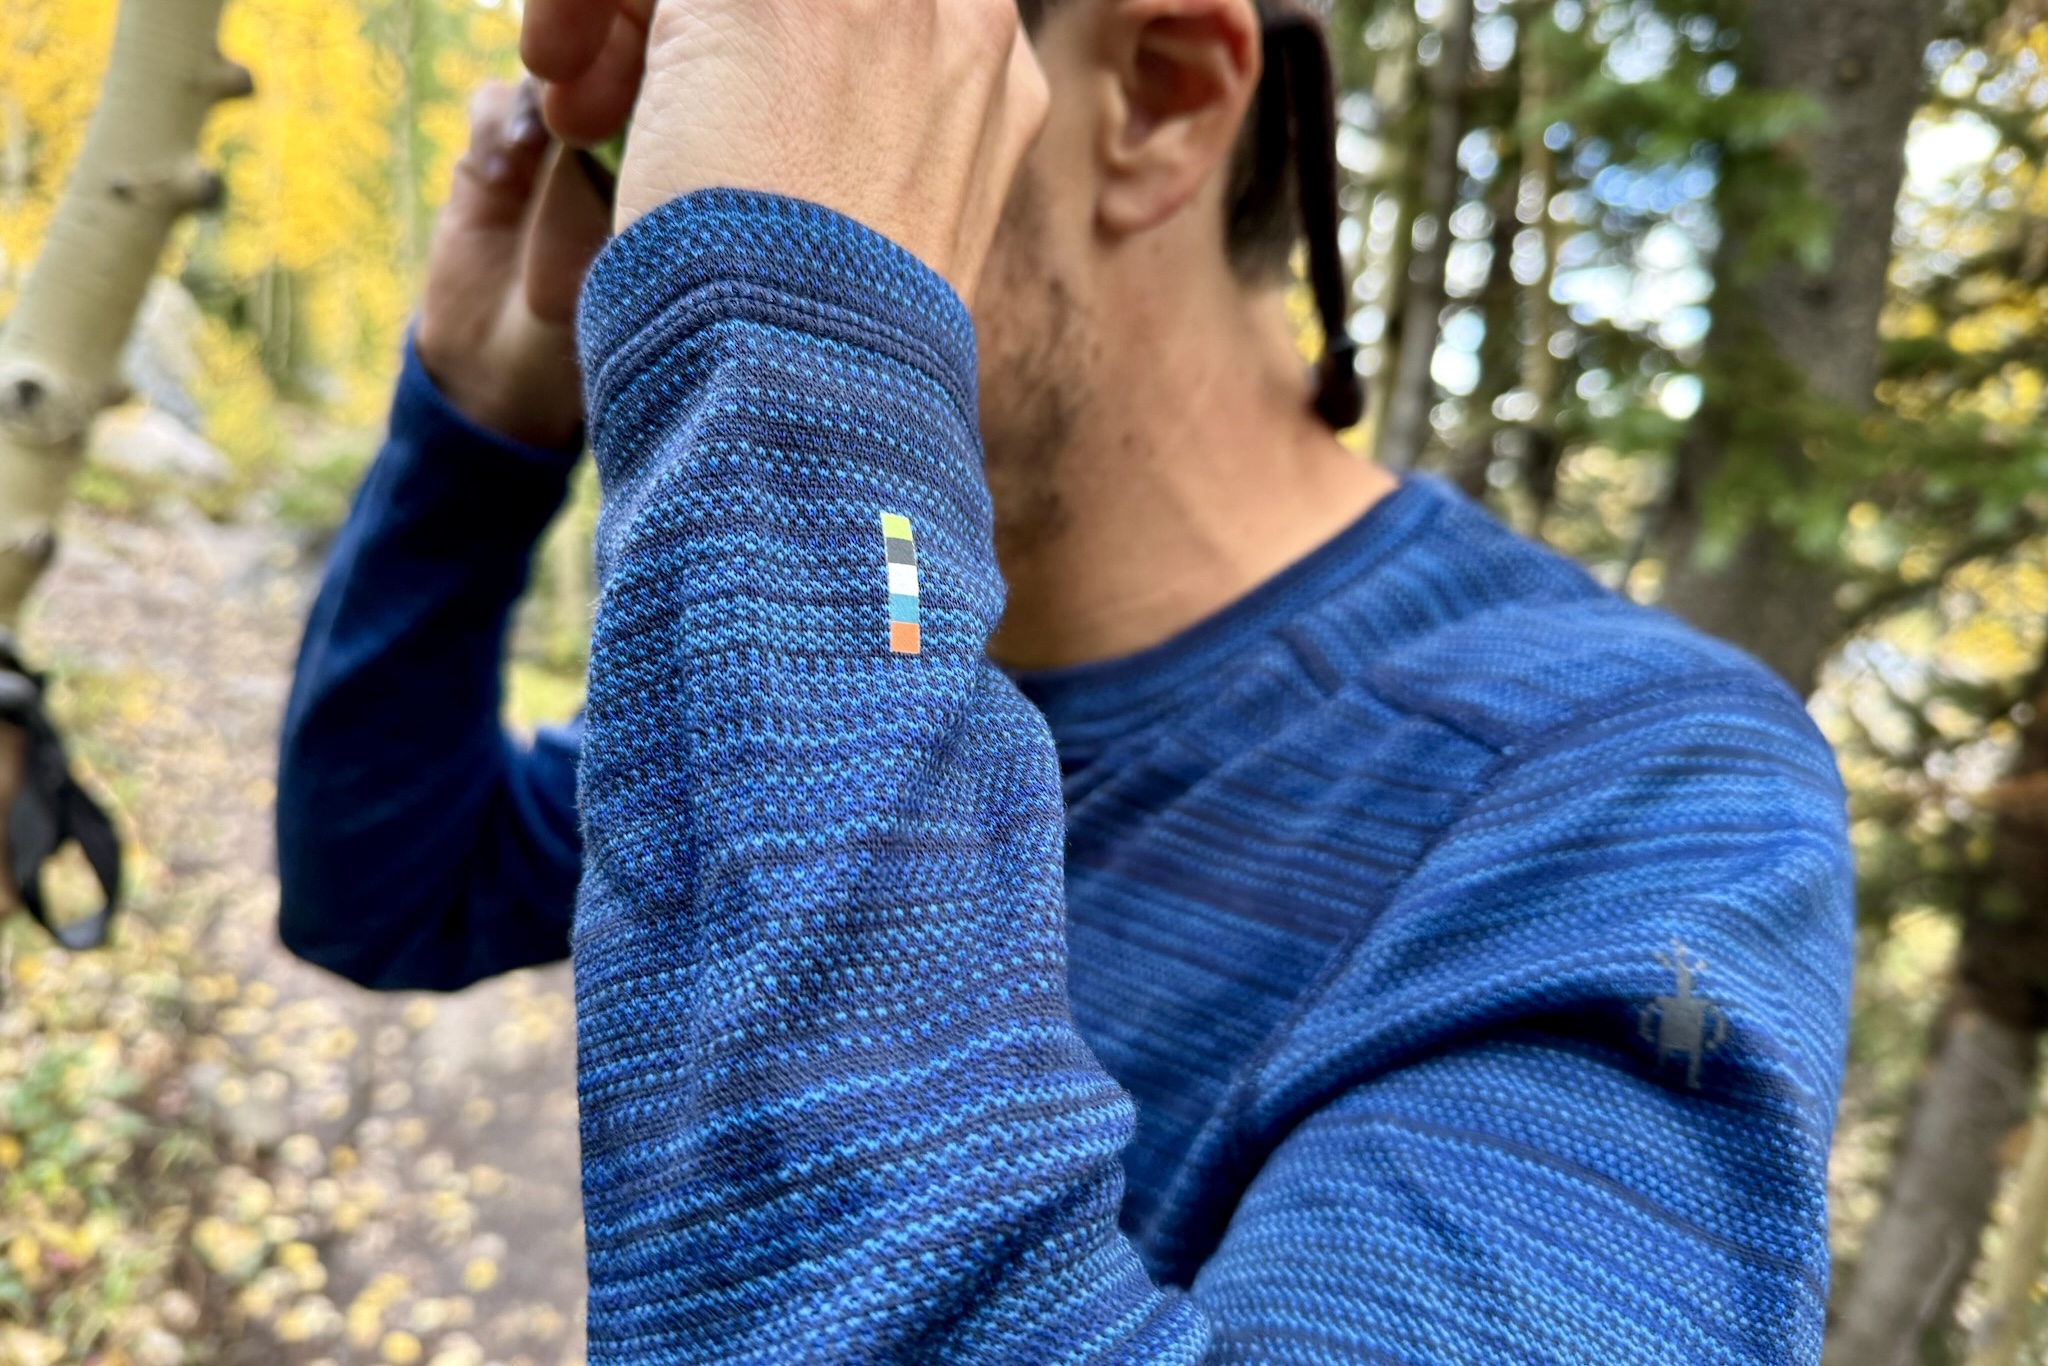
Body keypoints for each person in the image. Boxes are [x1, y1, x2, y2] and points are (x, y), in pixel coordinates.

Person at [278, 0, 1854, 1360]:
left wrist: (795, 336)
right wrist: (476, 438)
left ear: (1159, 93)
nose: (691, 191)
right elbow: (390, 883)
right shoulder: (890, 668)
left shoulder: (1630, 780)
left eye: (825, 67)